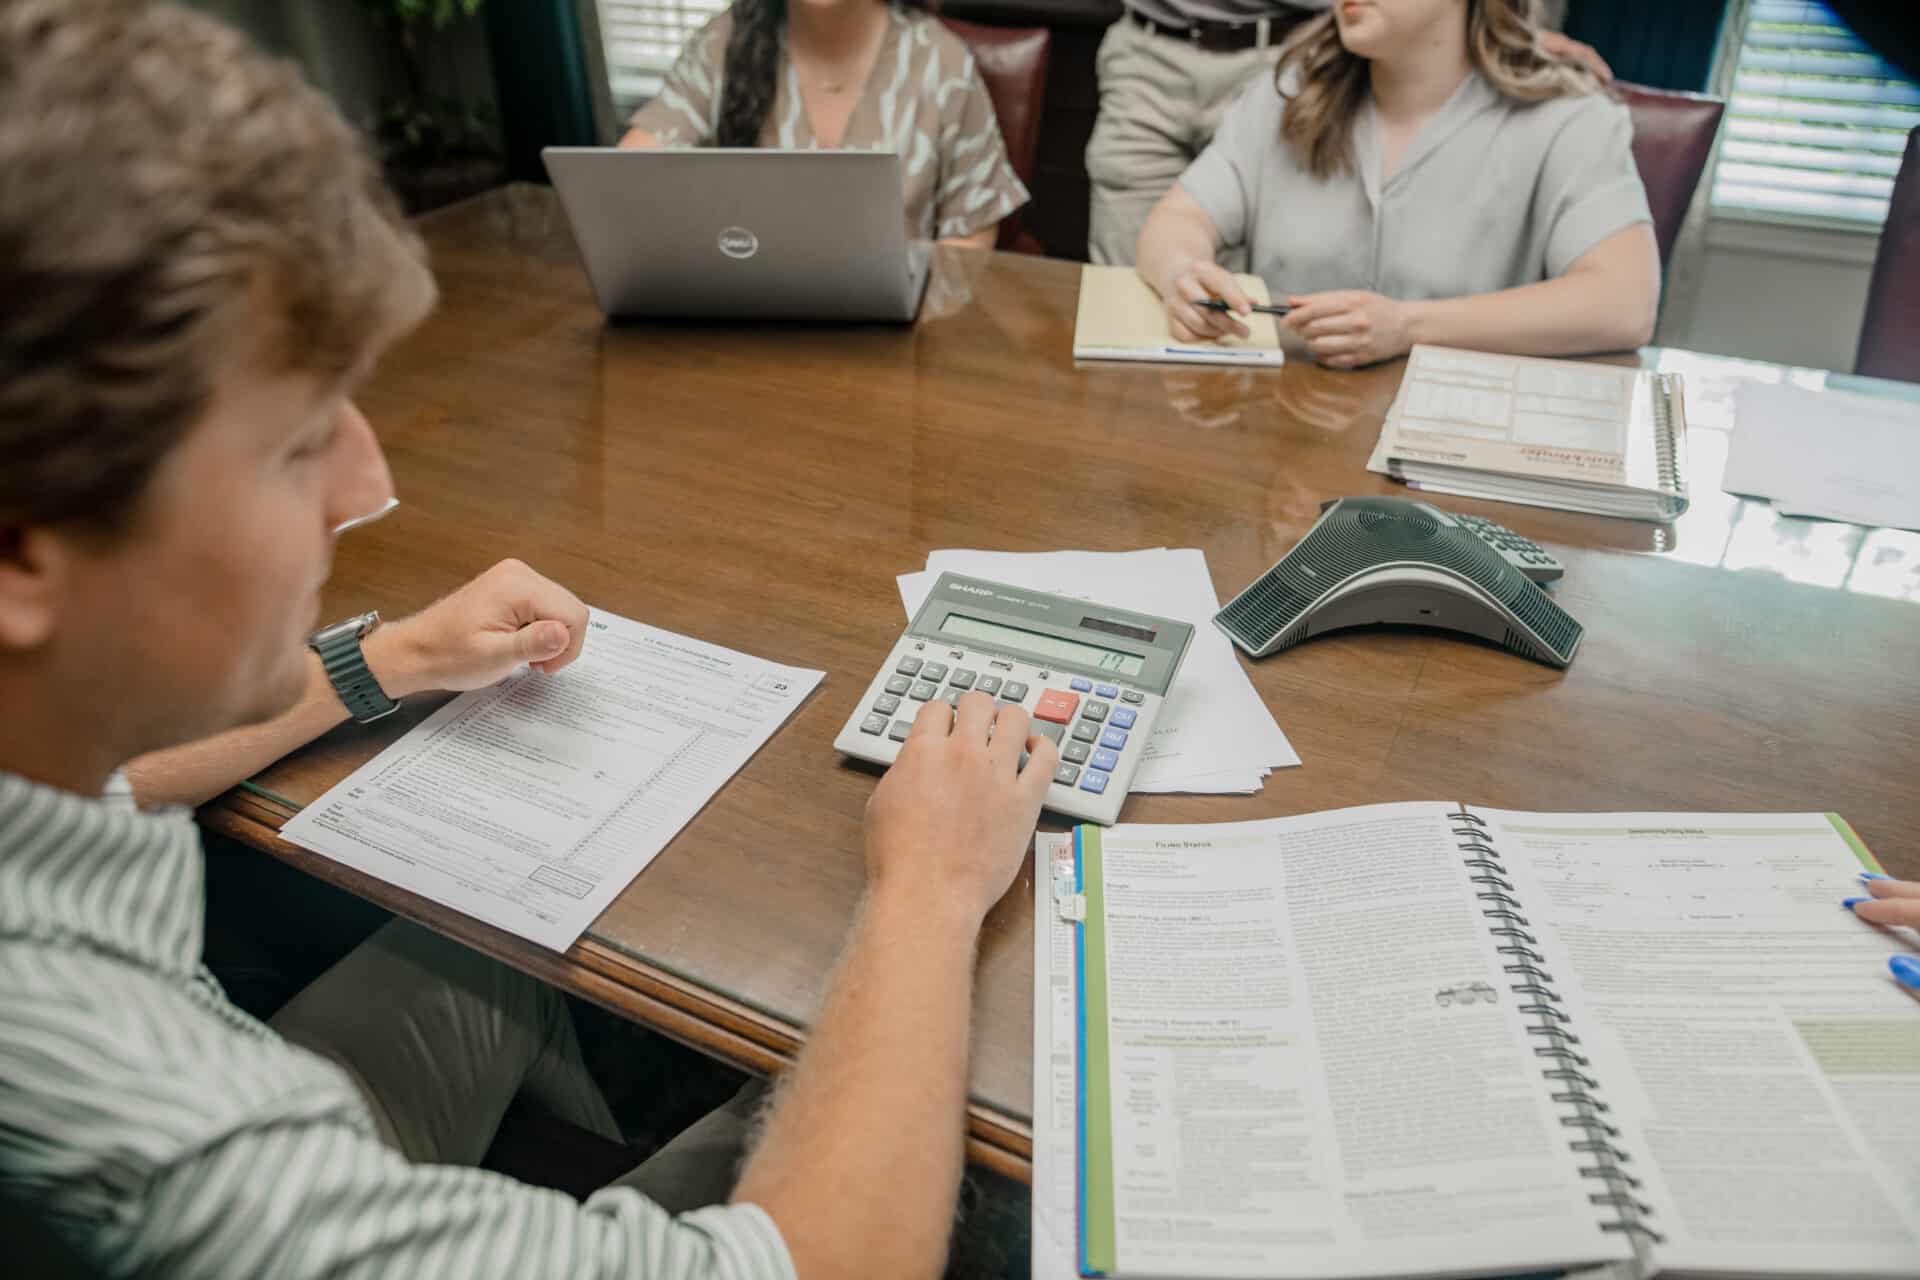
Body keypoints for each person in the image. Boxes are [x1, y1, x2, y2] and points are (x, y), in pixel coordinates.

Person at [0, 3, 1059, 1276]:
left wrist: (379, 660)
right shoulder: (160, 1147)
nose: (366, 487)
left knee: (519, 967)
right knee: (1002, 1171)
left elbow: (111, 780)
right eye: (294, 444)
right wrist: (933, 887)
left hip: (245, 1035)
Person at [1136, 0, 1659, 367]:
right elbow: (1180, 219)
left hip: (1458, 477)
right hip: (1279, 446)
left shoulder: (1567, 119)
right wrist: (1183, 273)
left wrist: (1407, 327)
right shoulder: (1286, 94)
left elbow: (1623, 302)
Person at [1086, 0, 1613, 266]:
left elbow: (1618, 303)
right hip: (1149, 48)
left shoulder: (1573, 125)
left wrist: (1507, 31)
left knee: (1269, 300)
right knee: (1141, 284)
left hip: (1292, 50)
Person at [619, 0, 1028, 250]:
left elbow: (970, 236)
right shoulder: (722, 44)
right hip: (748, 331)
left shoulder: (942, 63)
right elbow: (625, 180)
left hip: (897, 347)